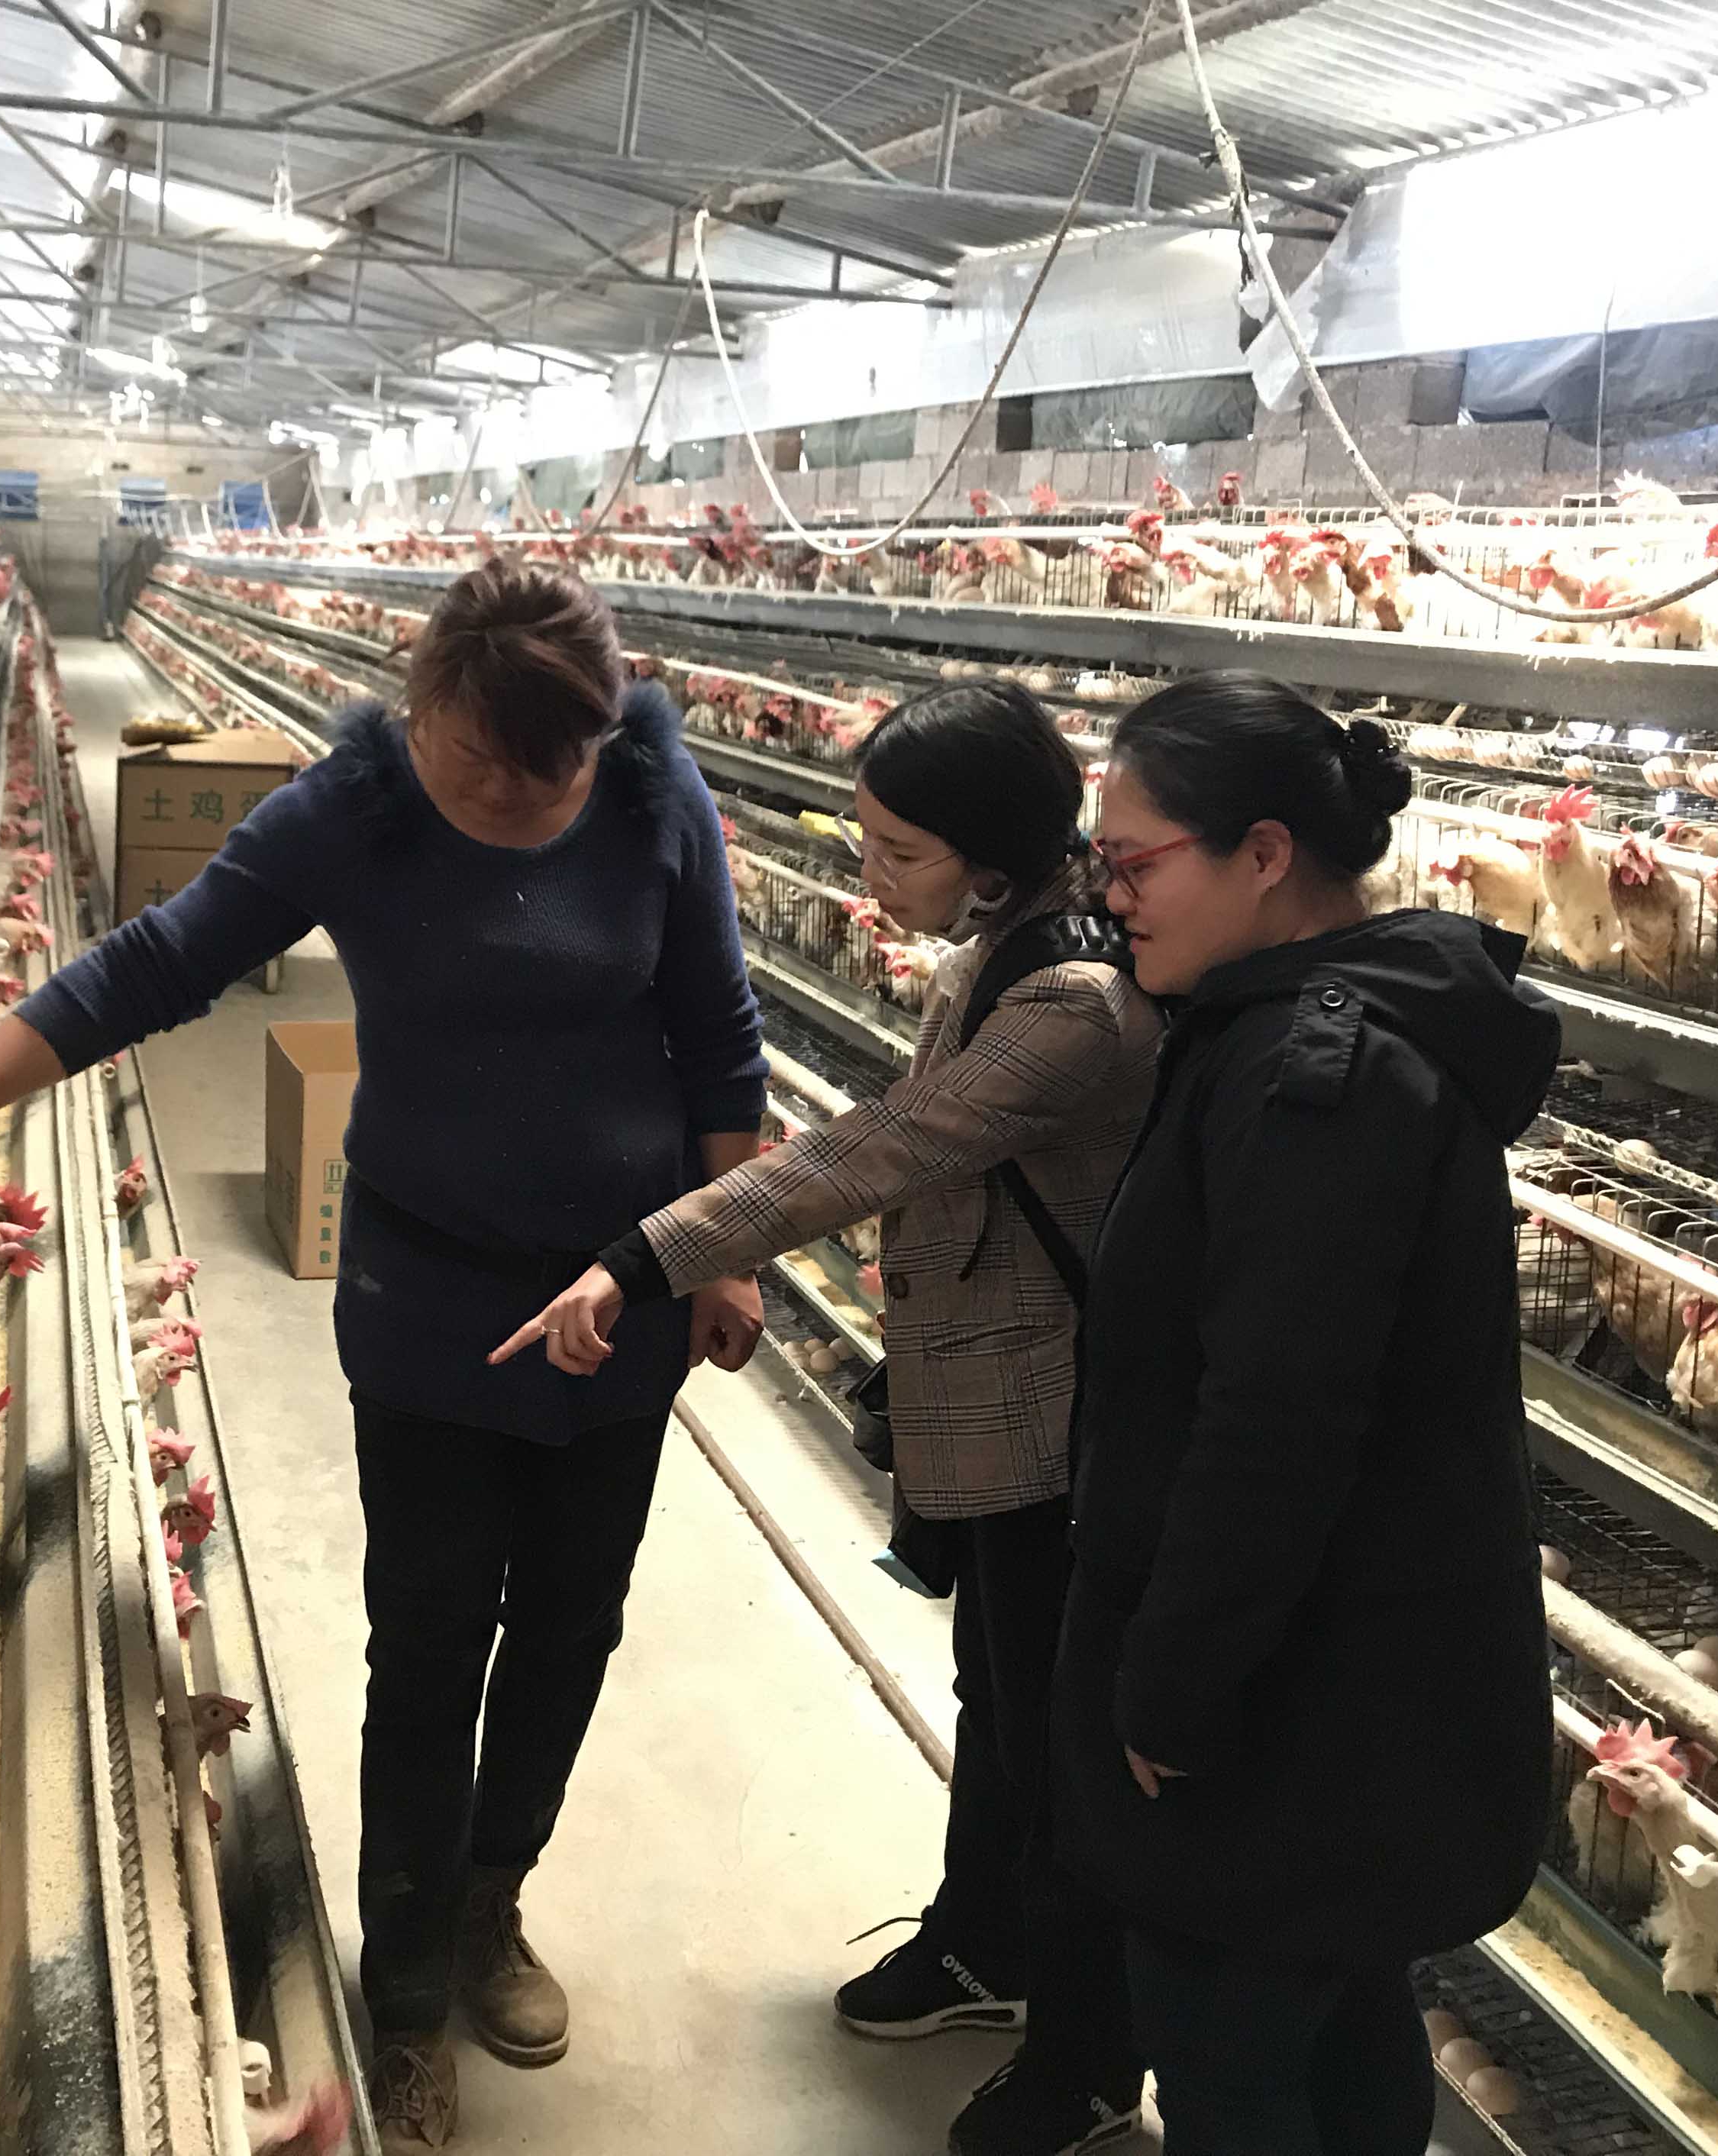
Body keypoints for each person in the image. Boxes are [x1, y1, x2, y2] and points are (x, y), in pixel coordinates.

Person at [0, 560, 769, 2153]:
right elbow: (148, 967)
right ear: (425, 704)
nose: (515, 796)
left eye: (553, 768)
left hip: (625, 1300)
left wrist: (724, 1246)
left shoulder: (656, 798)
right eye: (483, 759)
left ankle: (493, 1901)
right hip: (433, 1299)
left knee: (571, 1626)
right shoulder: (355, 810)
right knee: (431, 1638)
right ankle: (407, 1990)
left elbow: (719, 1035)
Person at [492, 679, 1161, 2156]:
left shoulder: (1076, 1005)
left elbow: (880, 1150)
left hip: (1055, 1420)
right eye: (865, 836)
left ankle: (1088, 2059)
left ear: (994, 857)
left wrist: (650, 1255)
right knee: (999, 1696)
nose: (869, 872)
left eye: (899, 851)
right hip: (988, 1394)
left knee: (1061, 1739)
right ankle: (985, 1943)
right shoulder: (1006, 944)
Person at [1054, 671, 1557, 2155]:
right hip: (1335, 1680)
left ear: (1264, 854)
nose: (1110, 897)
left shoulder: (1309, 1078)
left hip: (1295, 1699)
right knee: (1332, 2016)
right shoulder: (1289, 1033)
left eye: (1133, 862)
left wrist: (1177, 1683)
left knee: (1230, 2051)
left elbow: (1274, 1419)